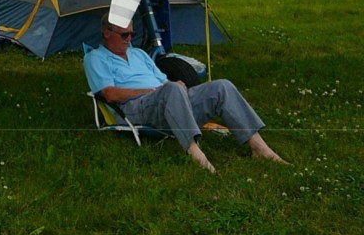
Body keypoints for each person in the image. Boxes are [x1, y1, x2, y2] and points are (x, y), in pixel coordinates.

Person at [84, 14, 287, 173]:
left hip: (166, 98)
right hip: (137, 107)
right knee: (171, 89)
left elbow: (163, 81)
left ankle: (259, 148)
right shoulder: (96, 58)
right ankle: (194, 152)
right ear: (106, 32)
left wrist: (176, 84)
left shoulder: (138, 54)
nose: (129, 40)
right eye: (124, 35)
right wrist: (155, 90)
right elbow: (109, 94)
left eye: (131, 34)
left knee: (221, 86)